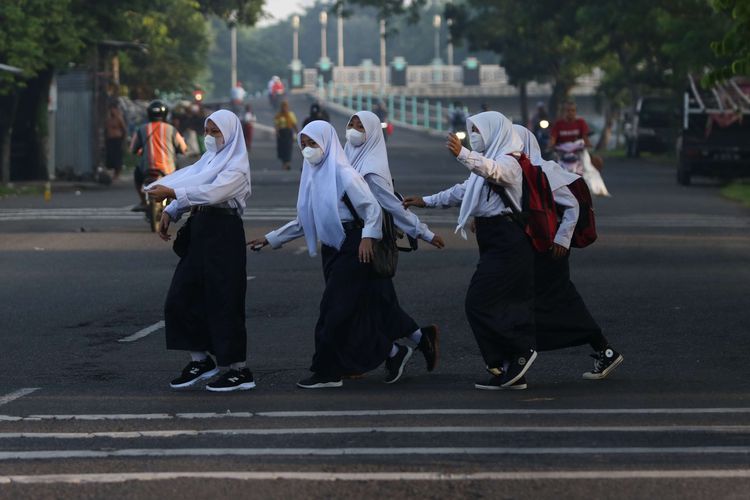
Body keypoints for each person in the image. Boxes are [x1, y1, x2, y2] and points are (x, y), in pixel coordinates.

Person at [249, 121, 420, 389]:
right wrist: (271, 239)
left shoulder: (343, 173)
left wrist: (367, 238)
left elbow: (372, 209)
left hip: (354, 244)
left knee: (332, 311)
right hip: (333, 247)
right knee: (349, 313)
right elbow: (304, 219)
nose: (307, 150)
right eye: (303, 145)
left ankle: (326, 371)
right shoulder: (313, 174)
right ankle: (393, 353)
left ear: (327, 144)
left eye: (313, 144)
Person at [403, 111, 537, 390]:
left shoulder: (511, 163)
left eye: (478, 130)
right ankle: (510, 369)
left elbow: (493, 172)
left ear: (494, 131)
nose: (474, 135)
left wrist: (463, 153)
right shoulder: (485, 166)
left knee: (477, 302)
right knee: (497, 304)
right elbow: (461, 191)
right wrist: (424, 201)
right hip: (492, 240)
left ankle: (520, 352)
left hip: (508, 241)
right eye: (471, 130)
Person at [144, 109, 254, 392]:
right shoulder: (210, 160)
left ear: (229, 134)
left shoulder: (237, 168)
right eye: (207, 131)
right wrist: (172, 209)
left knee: (224, 299)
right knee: (181, 295)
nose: (209, 137)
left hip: (224, 232)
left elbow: (213, 193)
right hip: (200, 227)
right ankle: (200, 360)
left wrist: (172, 194)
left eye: (215, 132)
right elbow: (193, 180)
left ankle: (238, 369)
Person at [514, 124, 624, 380]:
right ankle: (602, 349)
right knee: (552, 299)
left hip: (550, 250)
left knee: (544, 299)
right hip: (542, 248)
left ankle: (518, 355)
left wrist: (562, 240)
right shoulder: (527, 170)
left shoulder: (542, 171)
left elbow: (572, 206)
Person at [344, 111, 446, 379]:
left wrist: (424, 233)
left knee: (361, 303)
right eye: (351, 124)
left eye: (360, 126)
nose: (353, 130)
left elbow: (394, 206)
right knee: (378, 300)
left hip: (370, 241)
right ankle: (418, 339)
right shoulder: (350, 156)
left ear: (372, 133)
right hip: (357, 239)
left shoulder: (371, 169)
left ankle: (385, 353)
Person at [130, 100, 187, 210]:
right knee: (179, 176)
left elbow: (133, 148)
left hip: (147, 168)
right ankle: (176, 201)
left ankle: (143, 201)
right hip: (168, 169)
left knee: (137, 175)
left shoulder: (142, 129)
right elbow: (183, 148)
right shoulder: (171, 129)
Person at [105, 101, 127, 180]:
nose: (112, 111)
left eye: (113, 109)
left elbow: (124, 129)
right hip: (110, 140)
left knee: (117, 158)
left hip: (117, 140)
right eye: (111, 109)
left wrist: (123, 141)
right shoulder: (108, 119)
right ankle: (112, 173)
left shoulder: (119, 118)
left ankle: (117, 174)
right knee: (110, 158)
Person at [274, 100, 298, 171]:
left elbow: (294, 124)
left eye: (286, 107)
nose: (284, 108)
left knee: (288, 148)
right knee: (282, 149)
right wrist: (277, 132)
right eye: (283, 107)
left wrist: (297, 132)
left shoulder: (291, 114)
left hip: (288, 133)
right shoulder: (278, 115)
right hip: (281, 134)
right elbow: (276, 125)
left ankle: (287, 164)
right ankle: (284, 163)